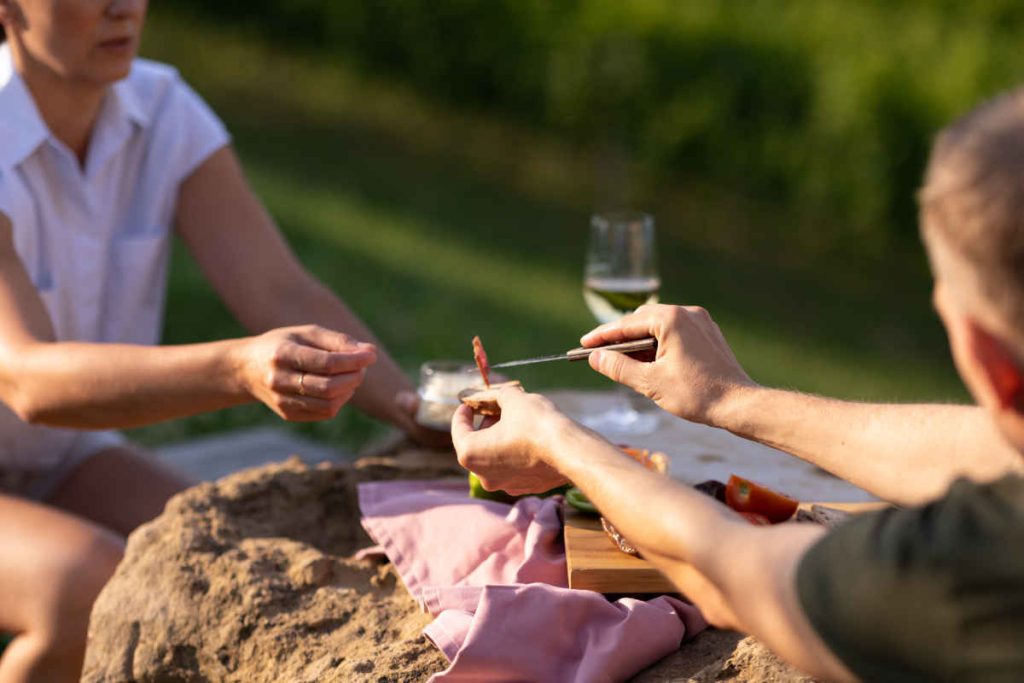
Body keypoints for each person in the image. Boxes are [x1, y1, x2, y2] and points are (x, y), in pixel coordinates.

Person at [453, 87, 1024, 680]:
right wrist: (730, 398)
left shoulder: (972, 567)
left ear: (984, 356)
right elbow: (986, 449)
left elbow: (730, 568)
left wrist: (555, 441)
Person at [0, 1, 444, 680]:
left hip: (60, 455)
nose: (123, 6)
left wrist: (420, 414)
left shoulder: (162, 110)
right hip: (40, 430)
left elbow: (279, 290)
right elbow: (28, 378)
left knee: (227, 558)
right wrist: (239, 367)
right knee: (84, 587)